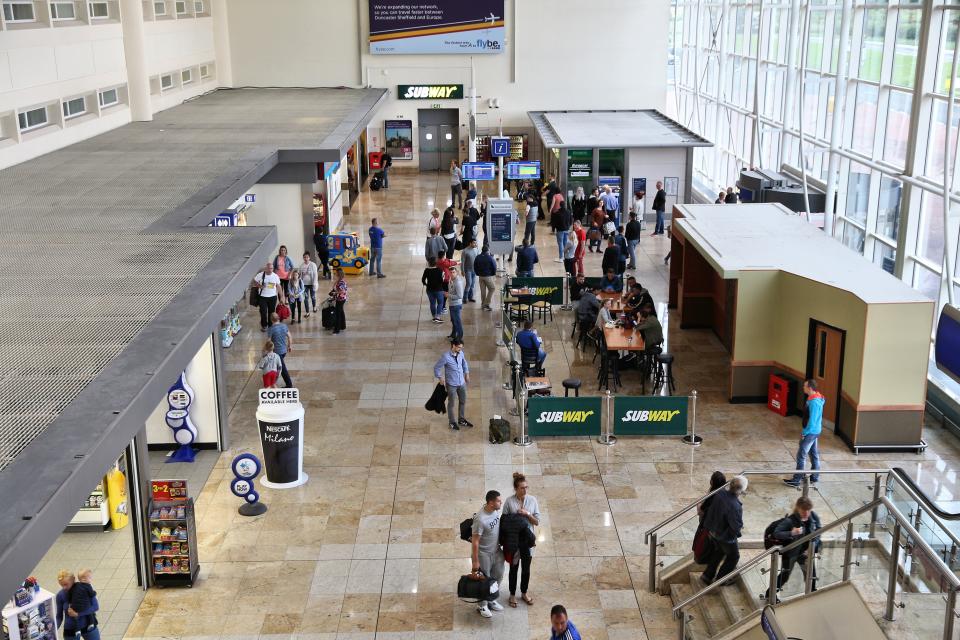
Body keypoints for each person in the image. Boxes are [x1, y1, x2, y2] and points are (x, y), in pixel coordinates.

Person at [502, 472, 540, 607]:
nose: (525, 490)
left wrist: (527, 514)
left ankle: (524, 593)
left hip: (528, 541)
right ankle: (512, 594)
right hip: (514, 541)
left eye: (526, 487)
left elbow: (537, 522)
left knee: (526, 569)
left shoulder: (533, 500)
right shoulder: (509, 501)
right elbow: (504, 522)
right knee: (513, 568)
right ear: (516, 489)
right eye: (522, 488)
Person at [770, 496, 822, 597]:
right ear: (798, 508)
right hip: (791, 553)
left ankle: (812, 594)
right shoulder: (790, 521)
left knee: (811, 575)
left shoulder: (813, 516)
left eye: (809, 510)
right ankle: (770, 594)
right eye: (804, 510)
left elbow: (818, 531)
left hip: (806, 553)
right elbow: (776, 533)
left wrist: (812, 545)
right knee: (784, 576)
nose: (807, 513)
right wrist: (792, 532)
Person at [702, 475, 747, 585]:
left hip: (712, 530)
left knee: (719, 551)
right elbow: (735, 527)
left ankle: (707, 575)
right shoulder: (735, 506)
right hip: (723, 536)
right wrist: (738, 528)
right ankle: (721, 580)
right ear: (742, 490)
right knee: (734, 556)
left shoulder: (720, 494)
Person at [785, 379, 825, 487]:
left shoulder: (814, 402)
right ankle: (814, 476)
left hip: (811, 432)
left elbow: (812, 420)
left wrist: (805, 432)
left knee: (801, 455)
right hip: (815, 431)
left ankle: (797, 479)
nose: (803, 387)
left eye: (805, 386)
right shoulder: (816, 398)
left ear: (810, 388)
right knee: (813, 453)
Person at [471, 489, 504, 618]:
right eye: (498, 501)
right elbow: (475, 541)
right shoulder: (480, 519)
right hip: (484, 553)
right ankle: (482, 605)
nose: (501, 503)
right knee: (484, 580)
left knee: (498, 575)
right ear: (491, 503)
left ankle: (491, 599)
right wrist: (475, 561)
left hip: (496, 550)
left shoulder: (495, 511)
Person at [434, 339, 471, 430]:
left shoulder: (461, 353)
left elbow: (464, 363)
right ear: (453, 346)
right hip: (452, 385)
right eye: (458, 347)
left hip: (461, 383)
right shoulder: (445, 357)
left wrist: (466, 373)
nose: (460, 349)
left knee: (463, 401)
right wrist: (440, 377)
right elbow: (437, 367)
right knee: (452, 404)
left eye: (461, 347)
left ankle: (461, 419)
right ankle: (452, 422)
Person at [57, 569, 100, 640]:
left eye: (66, 584)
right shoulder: (60, 595)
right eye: (61, 585)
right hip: (70, 628)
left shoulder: (85, 588)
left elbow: (95, 607)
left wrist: (78, 614)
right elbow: (59, 616)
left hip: (88, 624)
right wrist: (52, 630)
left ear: (73, 579)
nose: (64, 588)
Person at [253, 262, 284, 331]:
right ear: (265, 268)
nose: (270, 270)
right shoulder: (260, 275)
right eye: (269, 268)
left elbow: (278, 286)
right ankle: (264, 325)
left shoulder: (275, 276)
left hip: (273, 297)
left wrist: (281, 297)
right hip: (262, 297)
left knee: (272, 312)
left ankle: (270, 325)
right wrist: (259, 286)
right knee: (263, 312)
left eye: (272, 268)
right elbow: (254, 281)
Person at [267, 312, 293, 387]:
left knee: (282, 369)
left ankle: (289, 385)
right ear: (278, 318)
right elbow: (289, 337)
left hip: (276, 352)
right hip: (284, 351)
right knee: (277, 366)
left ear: (271, 320)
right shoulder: (284, 326)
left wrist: (267, 351)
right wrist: (289, 346)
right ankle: (272, 381)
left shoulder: (271, 329)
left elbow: (268, 342)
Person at [422, 257, 446, 323]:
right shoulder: (440, 270)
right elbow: (442, 281)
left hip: (429, 290)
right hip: (438, 289)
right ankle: (437, 317)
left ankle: (434, 316)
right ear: (436, 263)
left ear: (429, 263)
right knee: (440, 303)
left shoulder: (426, 270)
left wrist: (426, 284)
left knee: (432, 303)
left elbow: (423, 280)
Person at [474, 246, 497, 310]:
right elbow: (494, 267)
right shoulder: (490, 258)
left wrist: (477, 273)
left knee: (483, 291)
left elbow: (475, 266)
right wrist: (493, 274)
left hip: (480, 276)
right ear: (487, 250)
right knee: (492, 288)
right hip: (487, 276)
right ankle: (486, 304)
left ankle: (483, 304)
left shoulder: (478, 257)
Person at [447, 266, 465, 341]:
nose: (452, 274)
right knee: (453, 320)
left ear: (457, 272)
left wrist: (448, 295)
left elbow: (460, 296)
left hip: (456, 305)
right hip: (452, 304)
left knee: (457, 321)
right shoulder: (452, 280)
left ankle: (459, 337)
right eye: (450, 273)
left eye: (453, 272)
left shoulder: (458, 282)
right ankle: (453, 334)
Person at [299, 252, 318, 317]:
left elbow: (315, 275)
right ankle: (307, 312)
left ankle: (314, 307)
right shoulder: (301, 265)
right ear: (303, 258)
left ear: (309, 257)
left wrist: (314, 283)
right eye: (304, 257)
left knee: (313, 297)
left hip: (312, 284)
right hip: (304, 285)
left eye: (307, 257)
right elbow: (300, 275)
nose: (306, 258)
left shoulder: (313, 265)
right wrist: (300, 284)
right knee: (305, 298)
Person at [329, 268, 348, 334]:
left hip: (340, 299)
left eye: (336, 273)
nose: (335, 274)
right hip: (341, 298)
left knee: (338, 314)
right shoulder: (340, 281)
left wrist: (335, 293)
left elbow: (342, 291)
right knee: (341, 312)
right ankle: (343, 326)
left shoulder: (341, 282)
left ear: (339, 274)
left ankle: (337, 329)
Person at [462, 239, 479, 303]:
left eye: (476, 243)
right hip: (467, 270)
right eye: (474, 243)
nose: (475, 244)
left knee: (472, 285)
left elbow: (477, 260)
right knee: (469, 284)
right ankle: (464, 298)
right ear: (470, 243)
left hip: (474, 270)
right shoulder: (465, 251)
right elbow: (463, 262)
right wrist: (462, 271)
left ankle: (470, 297)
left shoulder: (476, 249)